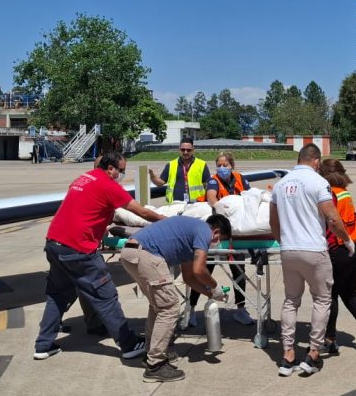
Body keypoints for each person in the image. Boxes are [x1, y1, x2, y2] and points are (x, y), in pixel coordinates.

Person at [33, 151, 165, 361]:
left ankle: (43, 345)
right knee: (106, 296)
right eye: (121, 170)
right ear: (110, 168)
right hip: (78, 248)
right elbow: (140, 212)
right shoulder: (108, 185)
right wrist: (165, 220)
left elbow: (89, 208)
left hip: (55, 244)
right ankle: (129, 344)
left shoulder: (84, 178)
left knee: (57, 295)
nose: (122, 174)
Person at [270, 143, 353, 377]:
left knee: (291, 300)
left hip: (289, 250)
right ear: (316, 161)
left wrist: (283, 241)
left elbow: (273, 222)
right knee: (322, 299)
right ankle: (313, 352)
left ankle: (287, 354)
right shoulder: (318, 182)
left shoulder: (280, 185)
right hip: (314, 250)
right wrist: (347, 239)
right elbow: (332, 219)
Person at [120, 214, 232, 383]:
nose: (216, 243)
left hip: (131, 252)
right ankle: (156, 365)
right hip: (146, 254)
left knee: (159, 306)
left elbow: (189, 278)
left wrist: (211, 294)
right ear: (216, 232)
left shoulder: (190, 234)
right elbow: (200, 270)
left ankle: (151, 352)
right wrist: (215, 287)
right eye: (219, 240)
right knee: (169, 307)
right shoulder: (204, 231)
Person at [317, 158, 356, 355]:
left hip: (342, 248)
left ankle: (329, 339)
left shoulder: (329, 194)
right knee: (349, 293)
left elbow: (332, 222)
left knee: (331, 295)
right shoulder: (343, 192)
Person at [191, 151, 253, 326]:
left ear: (232, 166)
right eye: (219, 165)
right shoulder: (214, 180)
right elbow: (211, 196)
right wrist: (218, 206)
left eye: (225, 165)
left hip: (236, 230)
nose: (222, 168)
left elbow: (249, 196)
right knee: (205, 270)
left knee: (238, 271)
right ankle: (191, 309)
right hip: (217, 228)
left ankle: (241, 309)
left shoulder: (241, 179)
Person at [149, 137, 211, 203]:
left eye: (188, 150)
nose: (185, 152)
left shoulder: (202, 165)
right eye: (183, 150)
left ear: (193, 150)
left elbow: (208, 186)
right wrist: (152, 175)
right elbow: (160, 183)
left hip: (196, 204)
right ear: (179, 149)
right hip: (175, 205)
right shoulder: (171, 165)